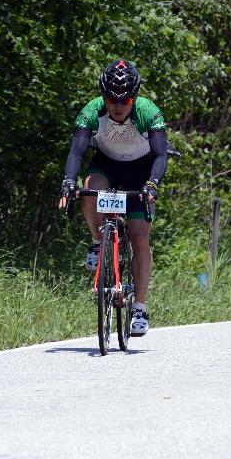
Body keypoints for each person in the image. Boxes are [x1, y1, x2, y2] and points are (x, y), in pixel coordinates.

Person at [58, 59, 167, 336]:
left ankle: (140, 307)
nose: (118, 106)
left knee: (140, 237)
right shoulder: (91, 112)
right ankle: (98, 241)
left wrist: (152, 185)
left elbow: (161, 154)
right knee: (89, 189)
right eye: (111, 99)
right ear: (102, 97)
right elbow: (76, 152)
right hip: (107, 164)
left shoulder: (148, 112)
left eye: (126, 99)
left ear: (136, 97)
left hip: (140, 170)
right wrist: (67, 182)